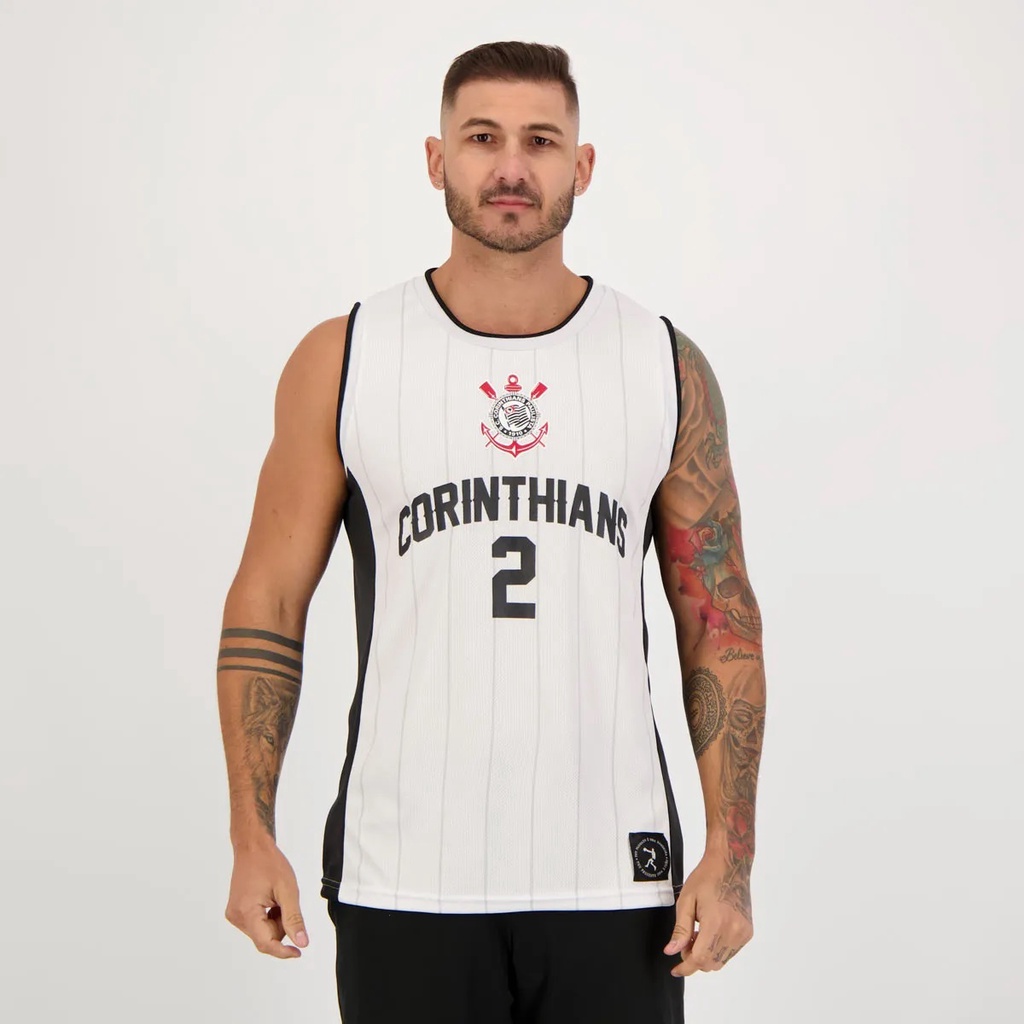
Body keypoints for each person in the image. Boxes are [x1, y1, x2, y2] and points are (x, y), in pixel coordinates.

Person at [217, 39, 766, 1024]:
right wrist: (250, 834)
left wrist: (730, 855)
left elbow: (717, 622)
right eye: (482, 138)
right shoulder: (345, 358)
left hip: (615, 877)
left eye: (540, 141)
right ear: (437, 160)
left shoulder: (661, 364)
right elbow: (269, 602)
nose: (511, 166)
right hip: (402, 872)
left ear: (581, 167)